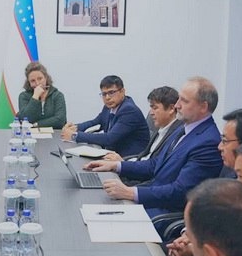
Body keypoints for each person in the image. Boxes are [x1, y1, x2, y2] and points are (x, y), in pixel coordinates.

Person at [84, 77, 223, 217]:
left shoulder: (208, 142)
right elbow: (154, 164)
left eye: (184, 101)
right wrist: (116, 166)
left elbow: (180, 192)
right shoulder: (183, 129)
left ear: (203, 107)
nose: (177, 105)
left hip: (163, 211)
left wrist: (130, 193)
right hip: (152, 197)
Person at [168, 108, 242, 256]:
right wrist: (188, 236)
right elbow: (208, 213)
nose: (219, 147)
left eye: (225, 141)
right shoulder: (228, 169)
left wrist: (195, 250)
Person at [61, 75, 149, 157]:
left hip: (127, 159)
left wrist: (75, 136)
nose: (107, 98)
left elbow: (109, 138)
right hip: (112, 154)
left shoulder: (129, 110)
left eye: (111, 92)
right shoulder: (109, 107)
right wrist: (75, 128)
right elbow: (95, 122)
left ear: (122, 92)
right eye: (104, 94)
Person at [104, 86, 182, 161]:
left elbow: (154, 165)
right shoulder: (161, 129)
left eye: (155, 108)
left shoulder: (177, 136)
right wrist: (122, 162)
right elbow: (145, 157)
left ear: (171, 108)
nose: (151, 113)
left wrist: (122, 164)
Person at [17, 61, 67, 129]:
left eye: (40, 79)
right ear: (28, 82)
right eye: (33, 81)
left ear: (46, 78)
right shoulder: (23, 96)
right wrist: (35, 97)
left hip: (55, 133)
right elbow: (25, 119)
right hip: (30, 134)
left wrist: (37, 124)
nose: (37, 83)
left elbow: (60, 120)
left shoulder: (57, 95)